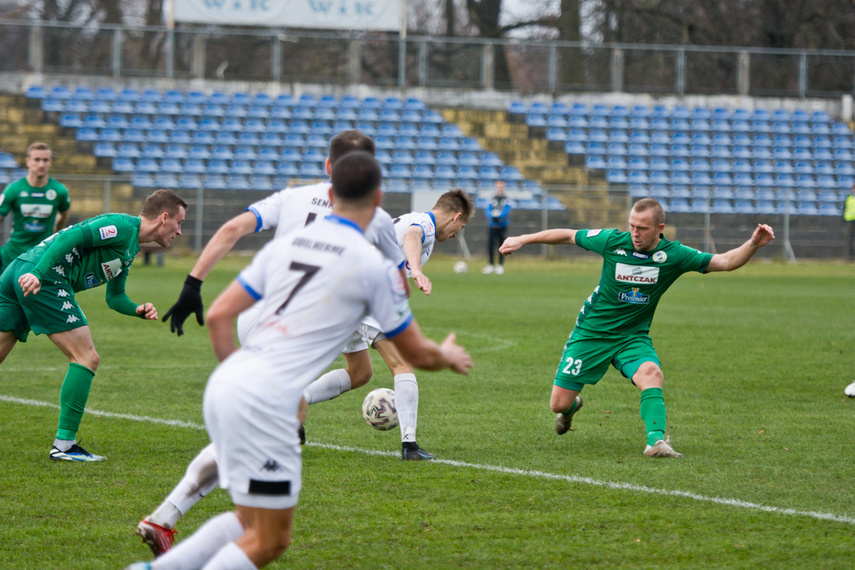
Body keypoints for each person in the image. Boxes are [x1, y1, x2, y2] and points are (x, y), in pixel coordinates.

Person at [125, 151, 472, 570]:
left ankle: (164, 522)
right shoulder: (373, 270)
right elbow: (416, 351)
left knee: (250, 514)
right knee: (268, 538)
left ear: (330, 184)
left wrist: (236, 369)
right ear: (377, 201)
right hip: (272, 386)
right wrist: (446, 352)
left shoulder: (289, 247)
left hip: (231, 380)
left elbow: (218, 315)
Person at [499, 198, 775, 458]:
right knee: (558, 404)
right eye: (631, 226)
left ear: (659, 229)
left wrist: (753, 243)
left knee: (652, 374)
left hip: (632, 337)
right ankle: (572, 407)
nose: (635, 233)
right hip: (592, 334)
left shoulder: (673, 255)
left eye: (642, 228)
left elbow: (725, 262)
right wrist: (523, 238)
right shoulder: (612, 241)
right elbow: (569, 235)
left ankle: (655, 442)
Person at [0, 189, 187, 462]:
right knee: (86, 357)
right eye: (179, 223)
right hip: (45, 276)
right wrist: (39, 273)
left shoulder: (129, 247)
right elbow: (71, 235)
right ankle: (64, 445)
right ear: (164, 217)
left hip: (20, 269)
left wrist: (136, 309)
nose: (180, 232)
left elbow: (115, 297)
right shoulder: (123, 226)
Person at [0, 142, 71, 273]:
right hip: (13, 254)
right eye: (37, 160)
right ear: (28, 161)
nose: (41, 165)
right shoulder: (14, 189)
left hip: (42, 255)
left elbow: (65, 212)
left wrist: (56, 234)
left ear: (50, 162)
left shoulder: (59, 191)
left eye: (45, 160)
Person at [482, 180, 511, 275]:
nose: (500, 188)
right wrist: (492, 216)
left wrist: (499, 216)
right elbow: (487, 210)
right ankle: (491, 265)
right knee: (490, 245)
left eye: (501, 186)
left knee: (502, 245)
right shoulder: (492, 199)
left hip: (502, 226)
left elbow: (506, 210)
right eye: (498, 186)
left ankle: (500, 265)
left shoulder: (506, 199)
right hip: (492, 226)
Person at [844, 183, 855, 261]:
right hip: (850, 220)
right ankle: (849, 256)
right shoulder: (849, 197)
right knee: (849, 239)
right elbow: (845, 208)